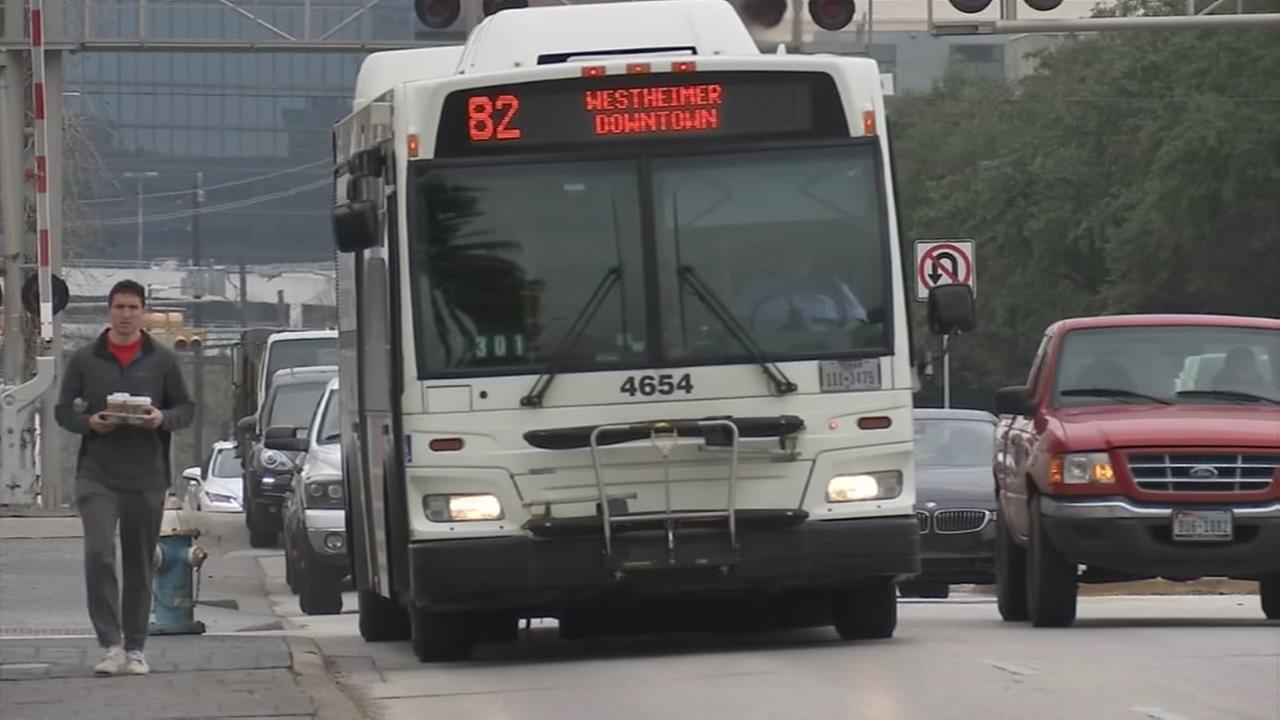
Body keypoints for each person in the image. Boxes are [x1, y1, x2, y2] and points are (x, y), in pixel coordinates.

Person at [55, 280, 194, 676]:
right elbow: (63, 411)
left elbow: (186, 408)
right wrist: (90, 422)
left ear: (143, 311)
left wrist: (161, 418)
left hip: (146, 476)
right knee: (99, 554)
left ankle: (135, 648)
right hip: (97, 475)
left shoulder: (162, 361)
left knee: (139, 562)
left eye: (133, 307)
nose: (126, 314)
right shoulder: (85, 359)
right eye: (119, 307)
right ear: (109, 310)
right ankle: (109, 644)